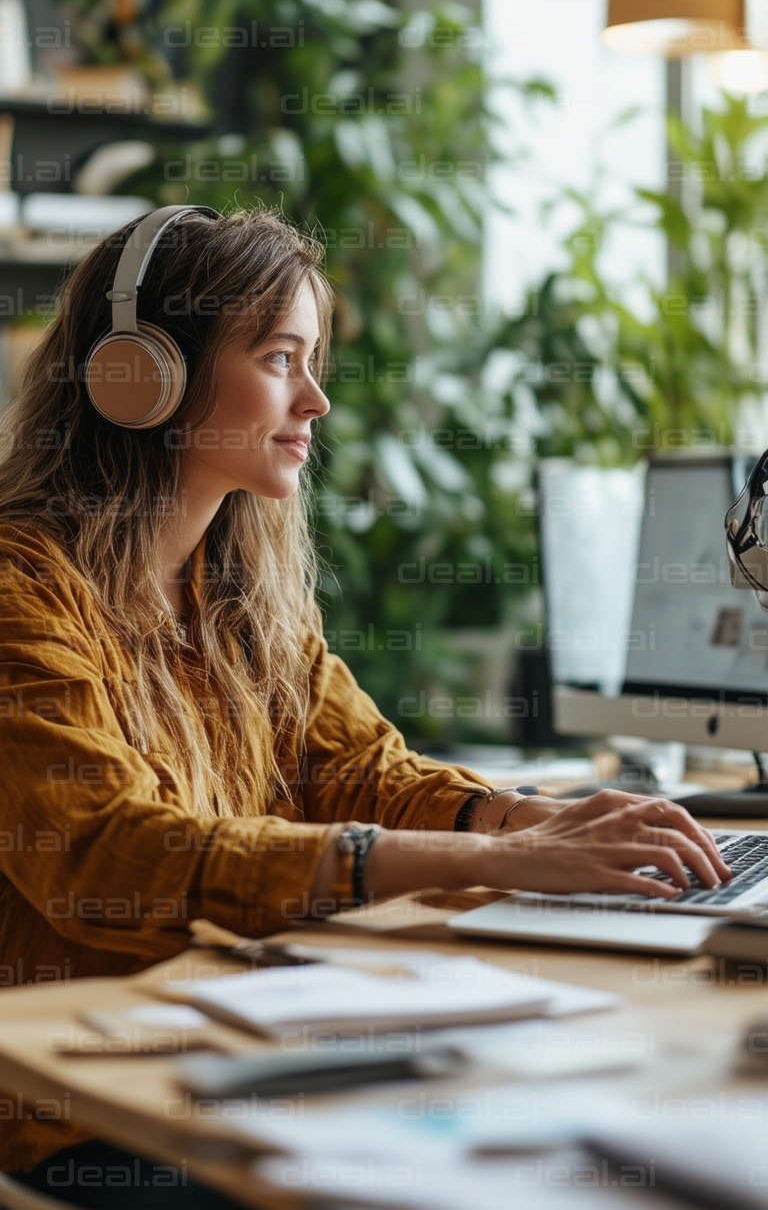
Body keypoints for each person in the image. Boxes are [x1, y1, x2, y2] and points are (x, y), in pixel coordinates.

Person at [0, 207, 729, 1194]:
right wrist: (504, 856)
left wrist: (538, 822)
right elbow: (106, 854)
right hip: (75, 1107)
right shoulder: (21, 588)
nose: (317, 401)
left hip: (231, 1052)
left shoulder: (234, 590)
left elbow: (362, 772)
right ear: (142, 375)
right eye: (279, 358)